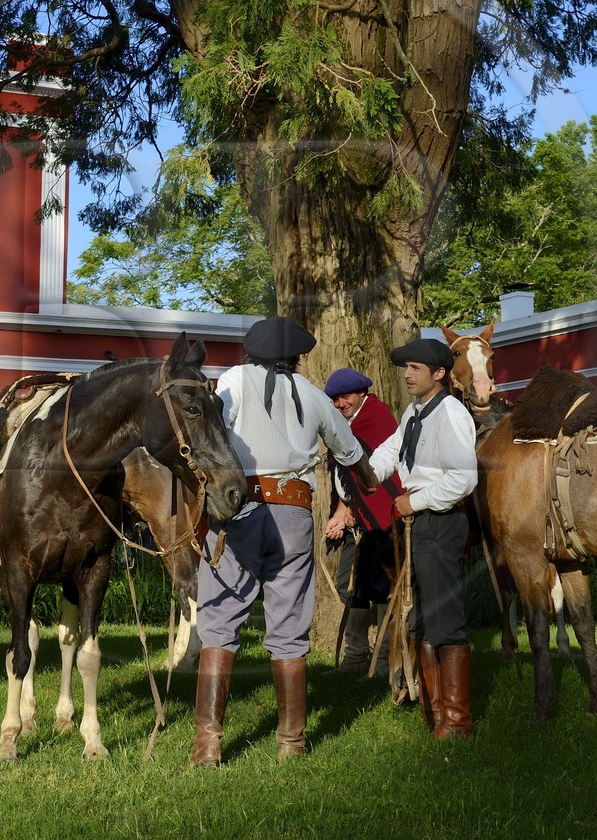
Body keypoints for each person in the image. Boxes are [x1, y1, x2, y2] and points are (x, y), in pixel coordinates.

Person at [189, 316, 374, 768]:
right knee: (289, 630)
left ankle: (208, 745)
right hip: (294, 514)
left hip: (240, 510)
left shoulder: (233, 379)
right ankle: (291, 745)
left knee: (219, 621)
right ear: (295, 357)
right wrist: (371, 485)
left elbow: (208, 433)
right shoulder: (312, 393)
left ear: (252, 350)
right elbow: (352, 455)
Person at [367, 337, 480, 739]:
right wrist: (366, 472)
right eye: (406, 367)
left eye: (415, 368)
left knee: (444, 619)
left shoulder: (449, 413)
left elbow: (464, 478)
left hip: (441, 521)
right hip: (419, 523)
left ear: (439, 374)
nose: (407, 374)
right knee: (422, 617)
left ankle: (458, 720)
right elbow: (391, 450)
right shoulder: (413, 413)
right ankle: (434, 712)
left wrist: (417, 502)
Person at [321, 367, 403, 675]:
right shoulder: (343, 424)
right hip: (358, 520)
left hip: (383, 521)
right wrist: (343, 509)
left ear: (361, 394)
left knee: (384, 587)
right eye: (335, 399)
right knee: (350, 586)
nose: (340, 404)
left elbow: (380, 475)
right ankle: (356, 655)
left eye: (346, 397)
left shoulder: (377, 417)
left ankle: (384, 660)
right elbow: (347, 475)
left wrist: (355, 508)